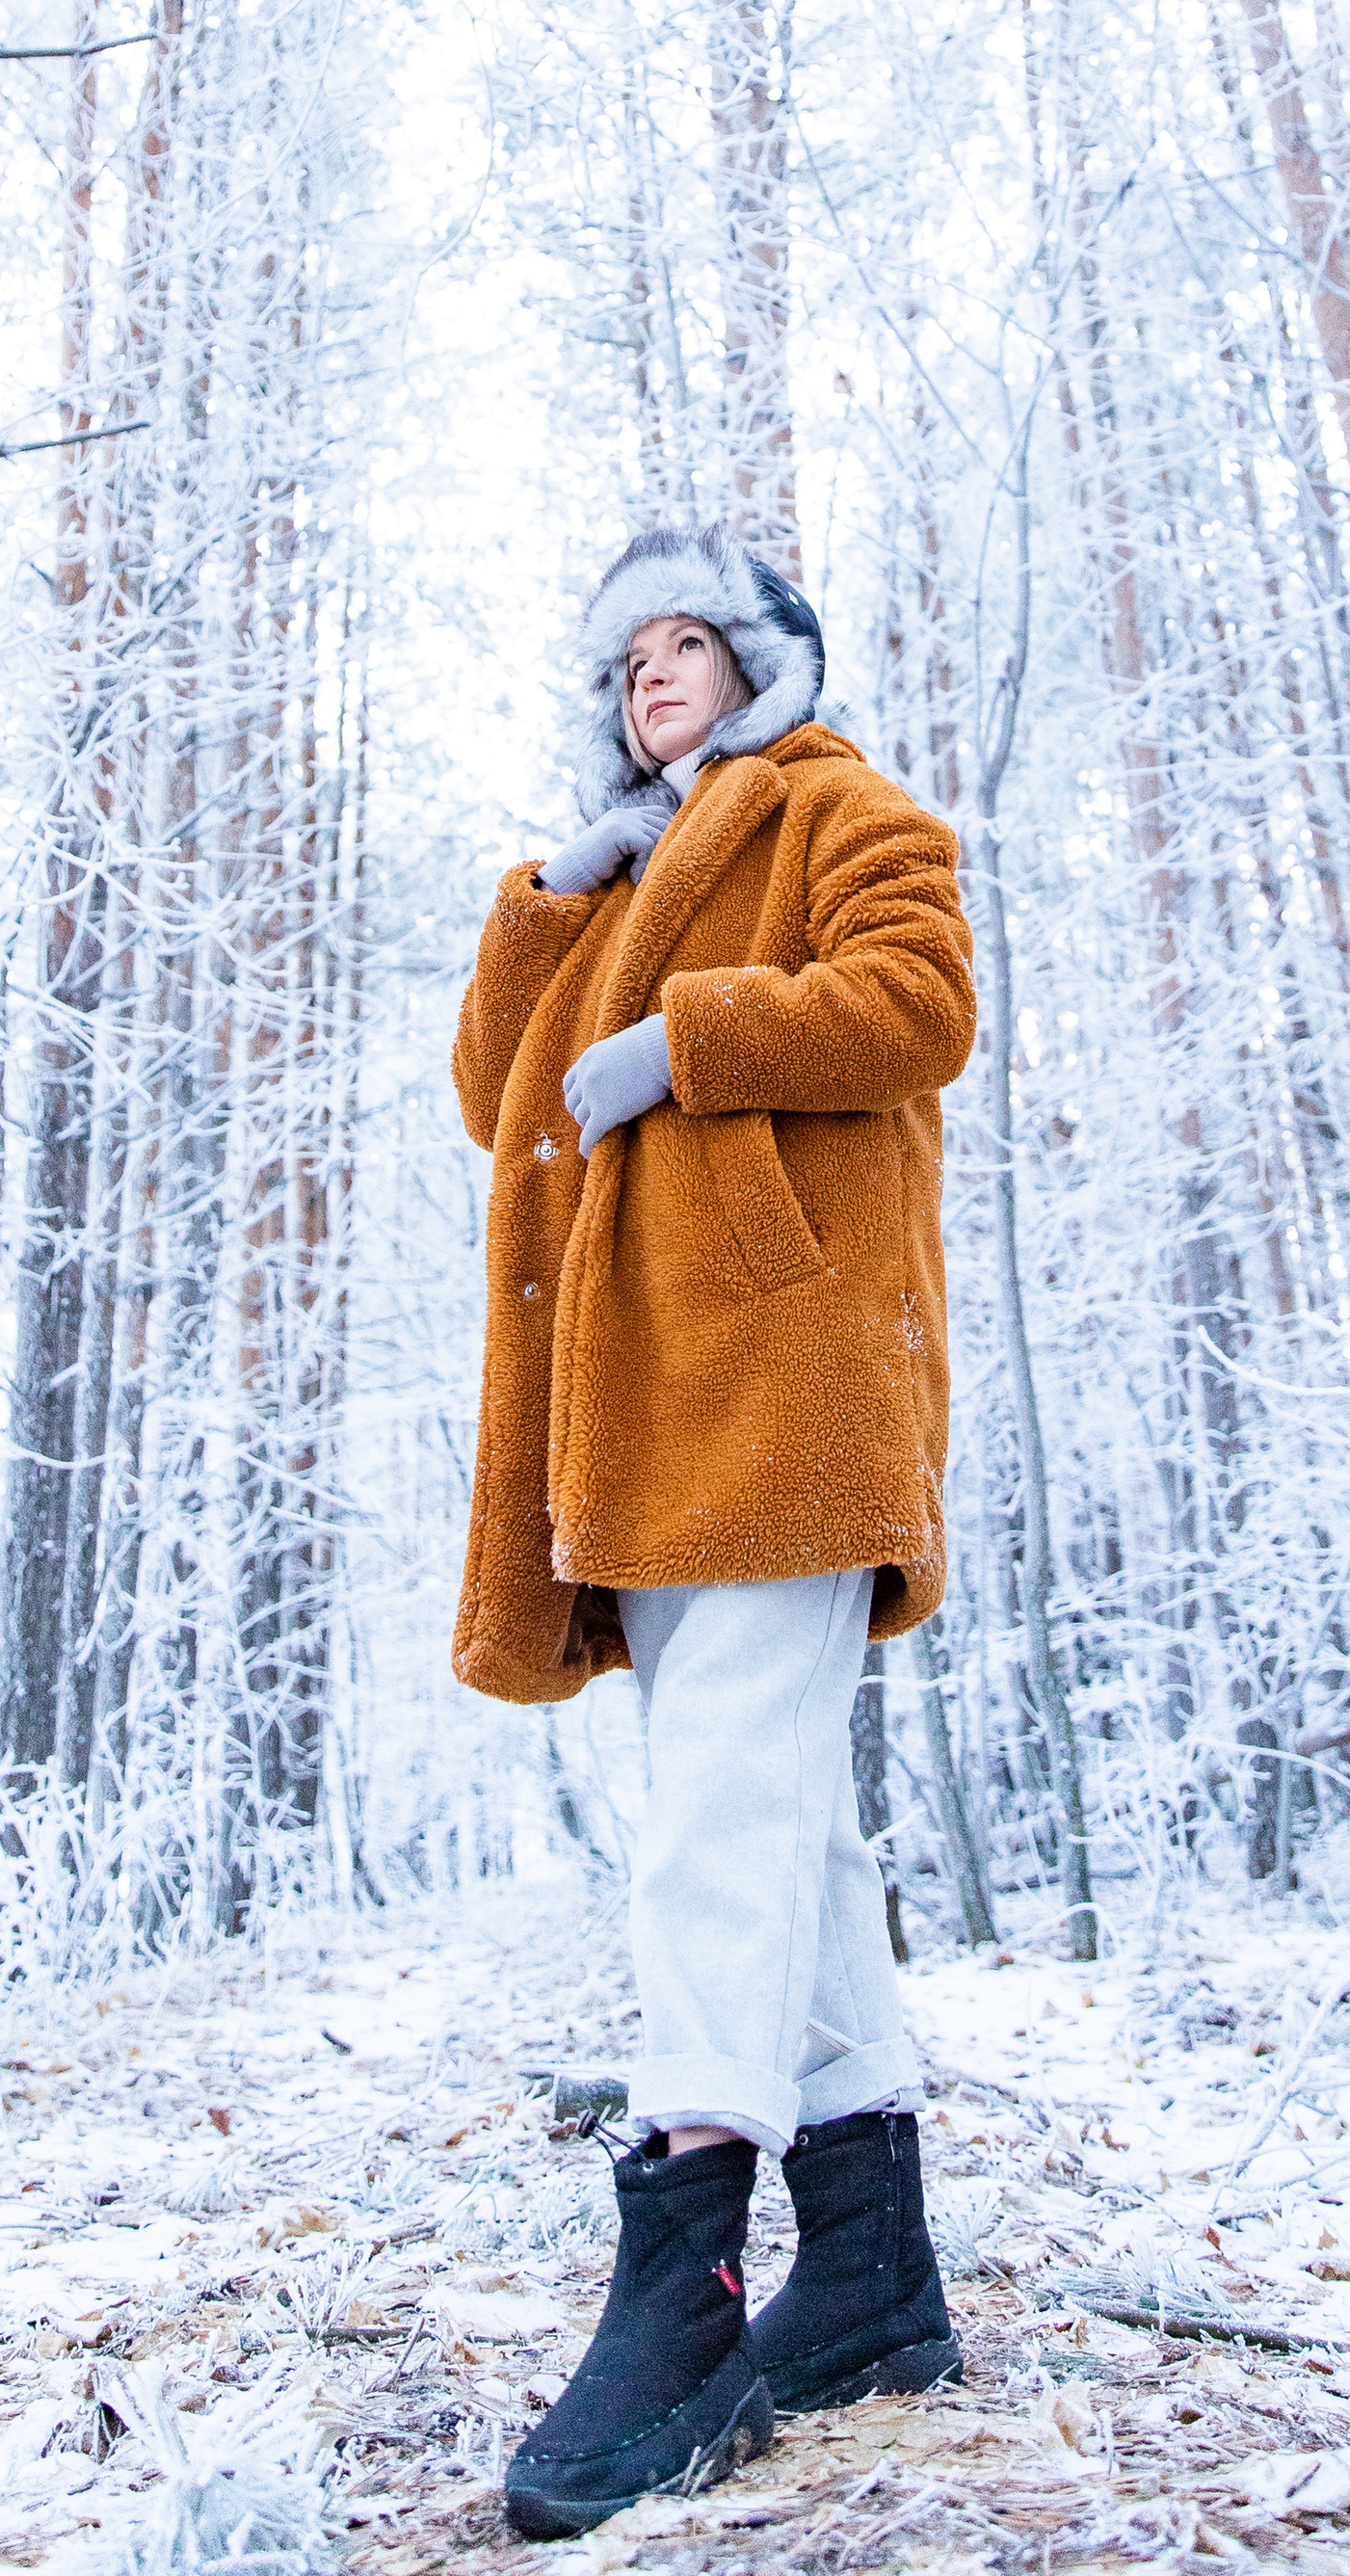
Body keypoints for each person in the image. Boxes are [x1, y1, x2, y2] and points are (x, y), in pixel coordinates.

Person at [451, 523, 979, 2540]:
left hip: (785, 1382)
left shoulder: (845, 805)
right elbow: (494, 1095)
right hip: (660, 1413)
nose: (648, 676)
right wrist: (546, 903)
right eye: (626, 658)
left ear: (761, 668)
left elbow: (916, 1002)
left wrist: (692, 1040)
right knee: (786, 1828)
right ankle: (868, 2275)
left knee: (714, 1823)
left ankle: (683, 2279)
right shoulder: (611, 875)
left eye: (687, 646)